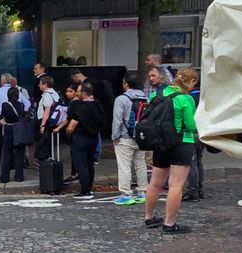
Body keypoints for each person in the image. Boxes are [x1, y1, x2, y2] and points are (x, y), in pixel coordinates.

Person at [142, 67, 199, 234]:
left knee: (155, 183)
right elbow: (191, 125)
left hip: (160, 144)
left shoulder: (157, 95)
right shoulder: (185, 99)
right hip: (181, 143)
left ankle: (149, 217)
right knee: (176, 185)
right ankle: (169, 223)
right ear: (191, 82)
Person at [111, 72, 149, 205]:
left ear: (126, 84)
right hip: (141, 137)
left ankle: (126, 193)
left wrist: (115, 136)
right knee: (140, 164)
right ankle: (143, 191)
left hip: (125, 137)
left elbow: (117, 120)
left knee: (124, 166)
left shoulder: (121, 99)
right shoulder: (145, 98)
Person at [64, 81, 104, 201]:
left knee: (81, 165)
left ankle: (85, 190)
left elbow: (71, 127)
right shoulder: (97, 105)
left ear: (84, 94)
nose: (77, 93)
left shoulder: (81, 107)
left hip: (80, 138)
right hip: (93, 138)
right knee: (89, 164)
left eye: (79, 91)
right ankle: (89, 187)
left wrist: (68, 131)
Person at [0, 86, 28, 184]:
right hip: (19, 129)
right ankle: (19, 176)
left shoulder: (5, 105)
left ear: (8, 95)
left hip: (9, 128)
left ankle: (4, 177)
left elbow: (3, 116)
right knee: (19, 153)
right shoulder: (21, 105)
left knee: (6, 154)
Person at [34, 76, 62, 165]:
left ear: (45, 85)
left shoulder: (47, 95)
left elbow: (47, 110)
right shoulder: (55, 93)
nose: (38, 85)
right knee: (47, 142)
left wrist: (42, 125)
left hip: (45, 121)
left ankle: (43, 163)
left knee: (43, 143)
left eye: (40, 83)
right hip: (52, 121)